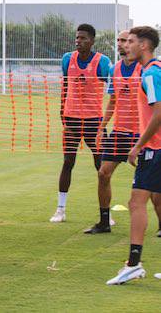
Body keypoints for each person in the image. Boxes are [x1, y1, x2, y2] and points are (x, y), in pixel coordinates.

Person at [107, 26, 161, 284]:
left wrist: (139, 145)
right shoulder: (155, 70)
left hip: (155, 149)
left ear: (144, 45)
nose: (125, 45)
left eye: (130, 41)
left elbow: (159, 113)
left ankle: (133, 263)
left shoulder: (150, 73)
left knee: (136, 202)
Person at [51, 23, 112, 223]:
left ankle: (106, 213)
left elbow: (113, 88)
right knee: (68, 162)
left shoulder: (102, 62)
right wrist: (63, 113)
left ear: (92, 40)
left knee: (100, 166)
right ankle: (60, 209)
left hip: (94, 121)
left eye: (83, 38)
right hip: (72, 119)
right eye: (77, 38)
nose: (79, 41)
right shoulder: (68, 59)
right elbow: (65, 86)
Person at [87, 31, 140, 233]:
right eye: (119, 40)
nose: (121, 44)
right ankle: (104, 221)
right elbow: (113, 101)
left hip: (140, 133)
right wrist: (101, 128)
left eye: (125, 40)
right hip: (119, 132)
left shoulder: (145, 69)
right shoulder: (115, 69)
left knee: (149, 182)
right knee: (103, 173)